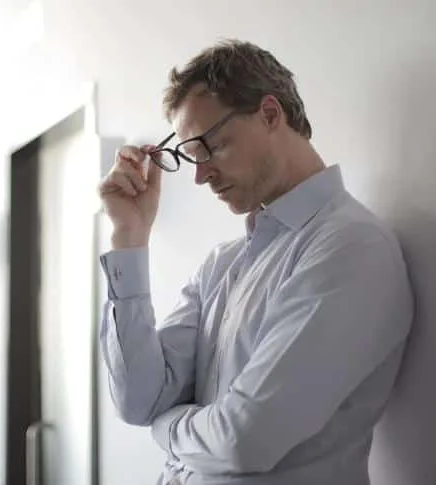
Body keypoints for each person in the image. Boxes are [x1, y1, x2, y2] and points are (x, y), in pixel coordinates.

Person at [96, 39, 414, 485]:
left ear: (269, 114)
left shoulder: (351, 247)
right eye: (189, 156)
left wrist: (167, 427)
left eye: (209, 146)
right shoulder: (221, 265)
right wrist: (129, 236)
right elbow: (138, 400)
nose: (200, 175)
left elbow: (243, 439)